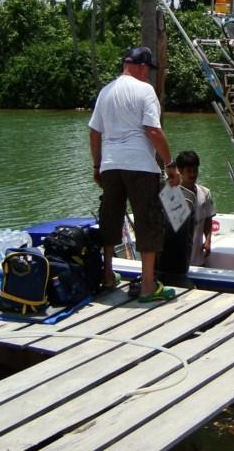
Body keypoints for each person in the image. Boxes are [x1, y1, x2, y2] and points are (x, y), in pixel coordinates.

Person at [89, 46, 180, 303]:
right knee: (148, 222)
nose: (148, 76)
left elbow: (95, 133)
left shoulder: (105, 92)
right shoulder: (145, 90)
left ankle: (107, 275)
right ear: (141, 67)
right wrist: (170, 164)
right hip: (140, 165)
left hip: (110, 165)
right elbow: (153, 130)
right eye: (148, 70)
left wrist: (97, 166)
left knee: (111, 219)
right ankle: (148, 286)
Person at [176, 150, 216, 267]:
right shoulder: (172, 196)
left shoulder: (205, 193)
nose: (193, 174)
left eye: (195, 170)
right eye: (189, 171)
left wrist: (208, 240)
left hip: (198, 258)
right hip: (178, 259)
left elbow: (208, 219)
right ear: (179, 170)